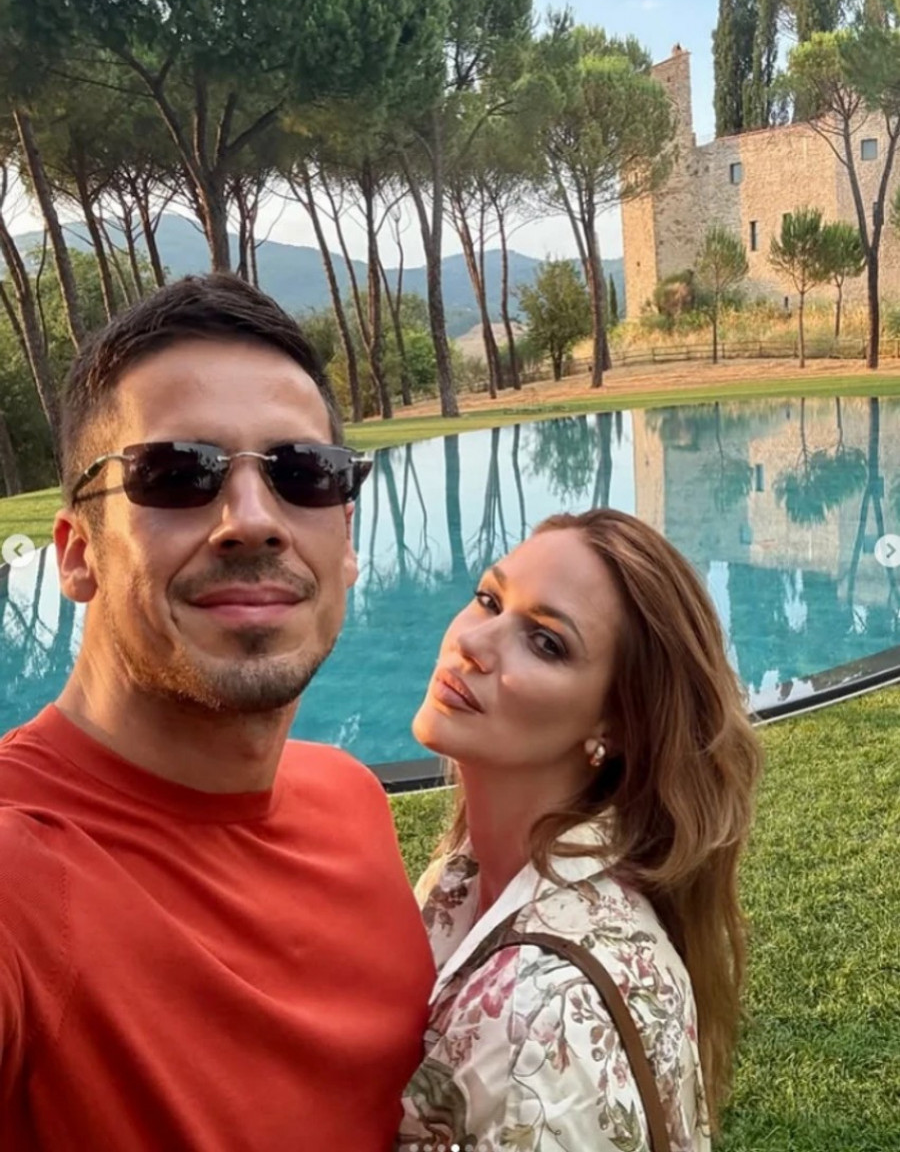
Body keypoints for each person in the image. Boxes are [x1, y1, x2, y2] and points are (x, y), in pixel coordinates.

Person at [0, 275, 435, 1151]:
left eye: (303, 473)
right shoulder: (24, 872)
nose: (252, 520)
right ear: (78, 554)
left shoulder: (349, 799)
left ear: (347, 543)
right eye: (176, 474)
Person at [397, 509, 763, 1152]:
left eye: (546, 642)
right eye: (489, 600)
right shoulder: (477, 872)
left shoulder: (541, 1020)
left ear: (615, 725)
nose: (473, 643)